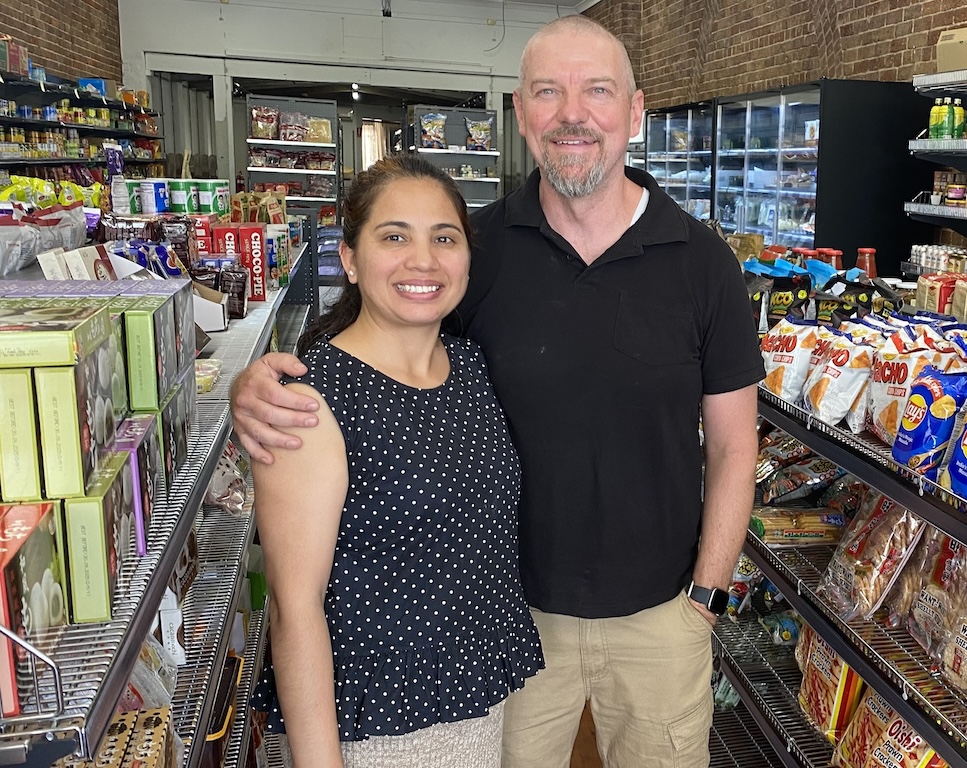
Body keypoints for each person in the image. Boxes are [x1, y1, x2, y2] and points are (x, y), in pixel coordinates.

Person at [232, 16, 764, 768]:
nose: (572, 113)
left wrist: (706, 601)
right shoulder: (474, 251)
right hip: (508, 625)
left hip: (662, 618)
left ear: (635, 112)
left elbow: (737, 448)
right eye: (549, 92)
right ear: (521, 115)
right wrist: (257, 384)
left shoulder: (703, 262)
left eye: (597, 92)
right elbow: (385, 341)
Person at [248, 154, 542, 768]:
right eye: (394, 237)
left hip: (476, 707)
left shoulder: (470, 367)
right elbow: (293, 610)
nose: (423, 260)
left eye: (444, 237)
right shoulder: (310, 403)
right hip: (375, 731)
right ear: (350, 259)